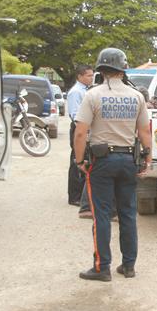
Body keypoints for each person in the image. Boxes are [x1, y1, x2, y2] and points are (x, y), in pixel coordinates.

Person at [74, 48, 152, 281]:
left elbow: (80, 133)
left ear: (100, 69)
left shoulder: (93, 95)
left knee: (102, 215)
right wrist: (148, 158)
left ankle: (101, 267)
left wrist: (79, 161)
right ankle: (128, 266)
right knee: (128, 213)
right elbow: (145, 131)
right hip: (128, 160)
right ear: (122, 69)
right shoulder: (137, 96)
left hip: (102, 161)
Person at [67, 65, 93, 206]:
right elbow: (75, 115)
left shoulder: (87, 90)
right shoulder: (76, 92)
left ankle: (82, 194)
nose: (91, 77)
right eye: (89, 75)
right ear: (80, 76)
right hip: (79, 128)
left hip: (86, 128)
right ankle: (74, 196)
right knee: (77, 160)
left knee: (85, 159)